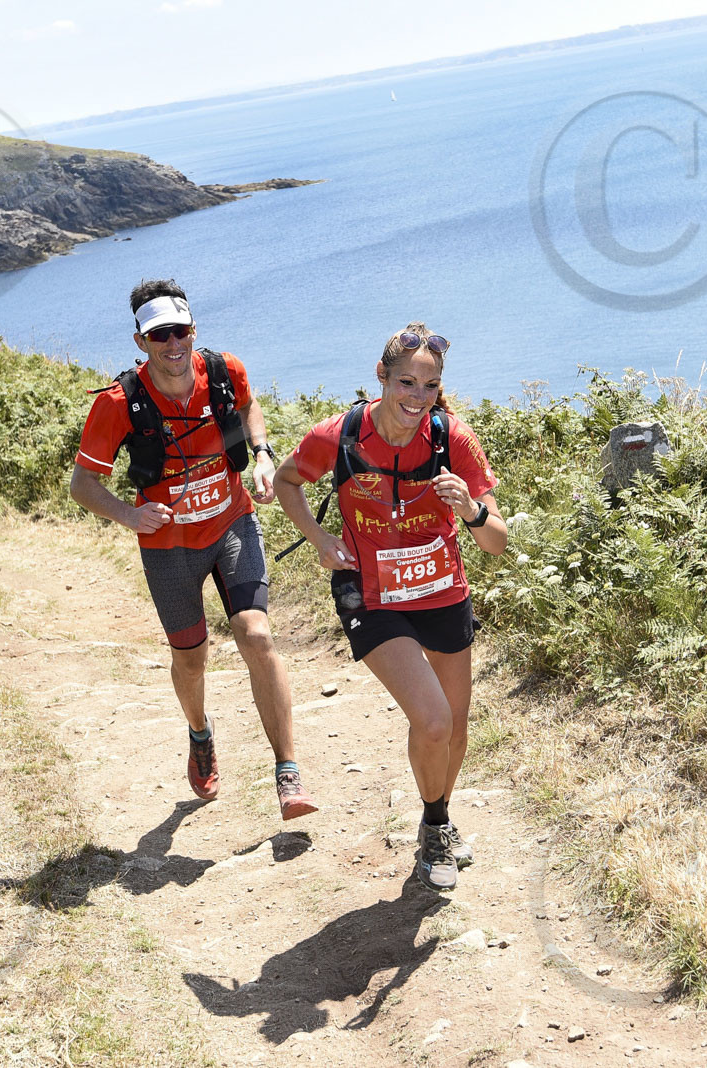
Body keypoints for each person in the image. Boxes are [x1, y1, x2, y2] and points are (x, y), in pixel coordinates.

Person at [70, 278, 317, 821]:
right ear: (141, 342)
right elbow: (82, 485)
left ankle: (288, 772)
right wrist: (130, 515)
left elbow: (248, 408)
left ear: (193, 330)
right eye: (159, 335)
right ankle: (200, 733)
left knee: (256, 635)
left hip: (232, 524)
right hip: (169, 547)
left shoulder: (225, 371)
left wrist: (262, 455)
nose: (172, 344)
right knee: (192, 657)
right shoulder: (119, 403)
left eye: (179, 331)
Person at [275, 322, 506, 890]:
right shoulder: (340, 435)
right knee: (432, 719)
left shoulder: (452, 439)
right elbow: (286, 480)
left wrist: (471, 509)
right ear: (381, 376)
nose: (418, 397)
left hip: (441, 588)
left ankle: (437, 819)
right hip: (371, 592)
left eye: (430, 386)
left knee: (454, 730)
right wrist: (318, 538)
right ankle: (436, 829)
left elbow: (496, 541)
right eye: (406, 382)